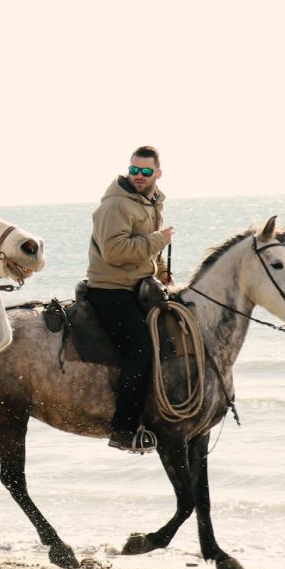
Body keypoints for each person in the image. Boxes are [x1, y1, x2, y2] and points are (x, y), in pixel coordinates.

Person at [86, 145, 174, 453]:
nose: (138, 175)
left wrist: (161, 270)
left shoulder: (152, 202)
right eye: (134, 170)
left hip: (137, 285)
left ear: (157, 174)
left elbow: (148, 250)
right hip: (110, 288)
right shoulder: (116, 205)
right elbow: (115, 251)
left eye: (145, 171)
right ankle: (123, 430)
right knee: (141, 348)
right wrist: (158, 240)